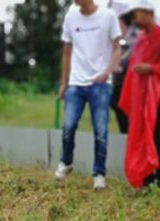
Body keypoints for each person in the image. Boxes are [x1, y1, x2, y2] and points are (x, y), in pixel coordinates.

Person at [55, 0, 122, 191]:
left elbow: (117, 48)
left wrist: (107, 72)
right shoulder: (71, 16)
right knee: (68, 125)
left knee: (100, 131)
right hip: (76, 82)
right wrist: (63, 83)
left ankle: (99, 174)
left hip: (99, 84)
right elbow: (66, 52)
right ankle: (66, 162)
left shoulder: (108, 16)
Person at [118, 1, 160, 191]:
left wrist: (152, 68)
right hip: (141, 99)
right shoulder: (140, 40)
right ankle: (146, 180)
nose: (134, 20)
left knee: (158, 137)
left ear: (148, 13)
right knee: (140, 136)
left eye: (136, 15)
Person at [109, 11, 138, 133]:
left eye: (120, 26)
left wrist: (119, 67)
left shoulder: (133, 43)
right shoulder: (116, 44)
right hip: (117, 88)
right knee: (122, 124)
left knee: (130, 124)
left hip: (129, 88)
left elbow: (129, 65)